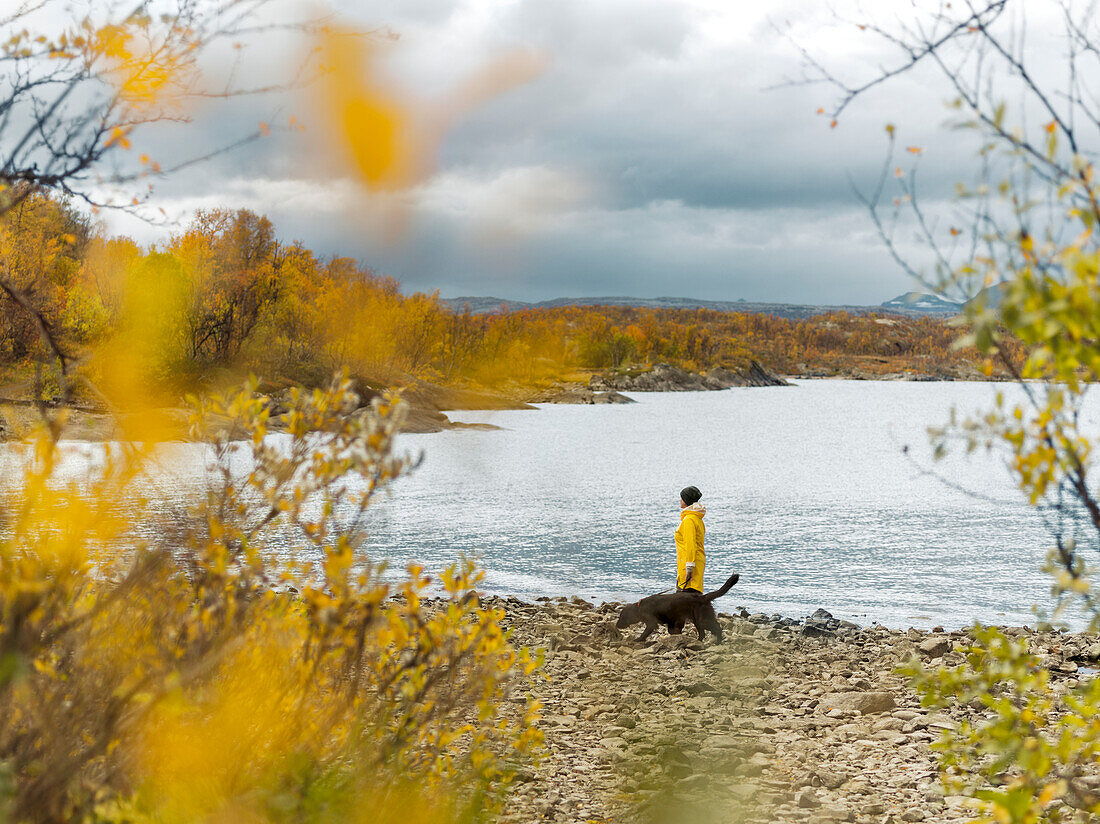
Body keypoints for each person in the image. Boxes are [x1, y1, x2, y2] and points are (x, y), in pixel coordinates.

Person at [676, 485, 705, 593]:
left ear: (686, 500)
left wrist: (689, 568)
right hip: (695, 562)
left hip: (690, 565)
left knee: (687, 599)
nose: (680, 500)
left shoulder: (689, 520)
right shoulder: (697, 518)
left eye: (681, 498)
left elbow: (690, 545)